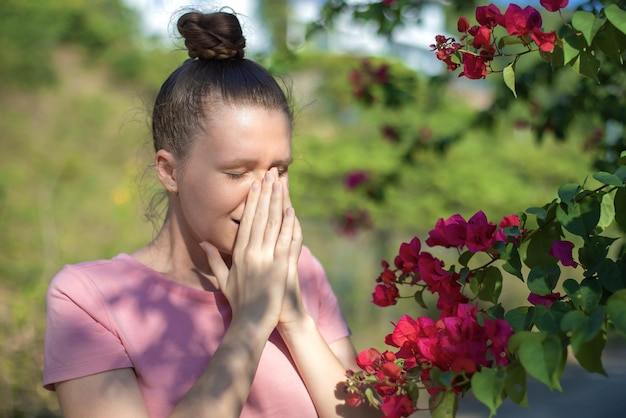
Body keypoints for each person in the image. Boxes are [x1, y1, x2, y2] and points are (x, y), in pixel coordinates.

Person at [43, 8, 380, 418]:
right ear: (170, 171)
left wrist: (294, 320)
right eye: (237, 172)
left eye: (279, 170)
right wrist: (251, 322)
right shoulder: (89, 299)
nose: (264, 195)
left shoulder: (298, 270)